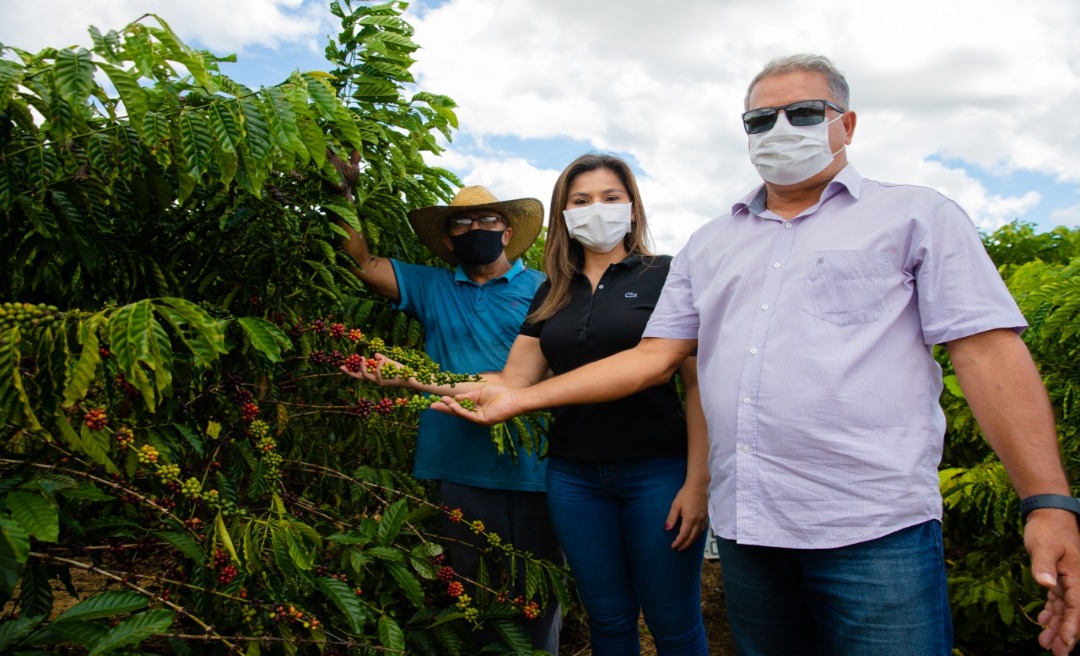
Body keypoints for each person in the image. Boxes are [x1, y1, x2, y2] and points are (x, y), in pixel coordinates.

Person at [434, 55, 1080, 656]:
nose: (781, 129)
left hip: (872, 529)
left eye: (803, 113)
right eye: (760, 119)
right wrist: (501, 393)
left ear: (845, 125)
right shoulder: (713, 245)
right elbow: (654, 358)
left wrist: (1046, 500)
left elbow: (989, 354)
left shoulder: (914, 216)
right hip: (751, 529)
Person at [345, 153, 711, 655]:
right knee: (609, 619)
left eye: (610, 197)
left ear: (632, 205)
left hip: (654, 471)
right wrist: (411, 378)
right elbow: (509, 378)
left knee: (672, 622)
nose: (595, 209)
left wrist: (698, 481)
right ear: (565, 213)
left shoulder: (667, 275)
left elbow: (689, 381)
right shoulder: (553, 291)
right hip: (574, 475)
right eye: (581, 200)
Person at [336, 185, 564, 653]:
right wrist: (341, 191)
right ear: (447, 239)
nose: (474, 229)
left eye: (486, 221)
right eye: (461, 223)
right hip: (458, 461)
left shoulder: (545, 288)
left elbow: (537, 374)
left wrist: (416, 378)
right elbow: (361, 263)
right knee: (473, 589)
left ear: (507, 233)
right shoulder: (430, 285)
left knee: (537, 589)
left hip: (532, 464)